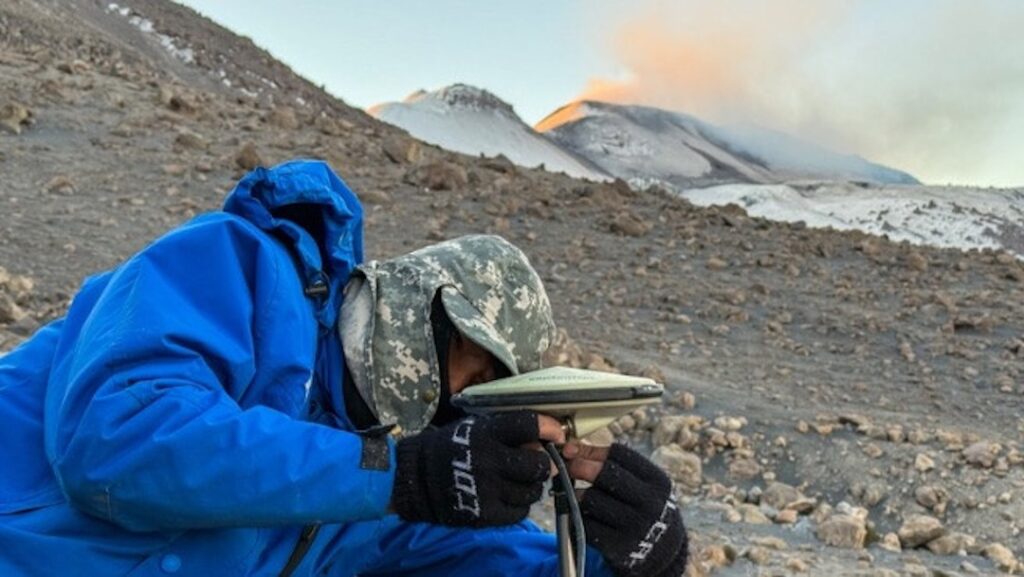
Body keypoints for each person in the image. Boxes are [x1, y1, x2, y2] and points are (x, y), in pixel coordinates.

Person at [0, 160, 687, 576]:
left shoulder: (389, 499)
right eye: (473, 372)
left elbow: (510, 564)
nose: (464, 410)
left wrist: (632, 557)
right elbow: (117, 439)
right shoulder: (244, 266)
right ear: (422, 305)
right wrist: (393, 473)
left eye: (488, 397)